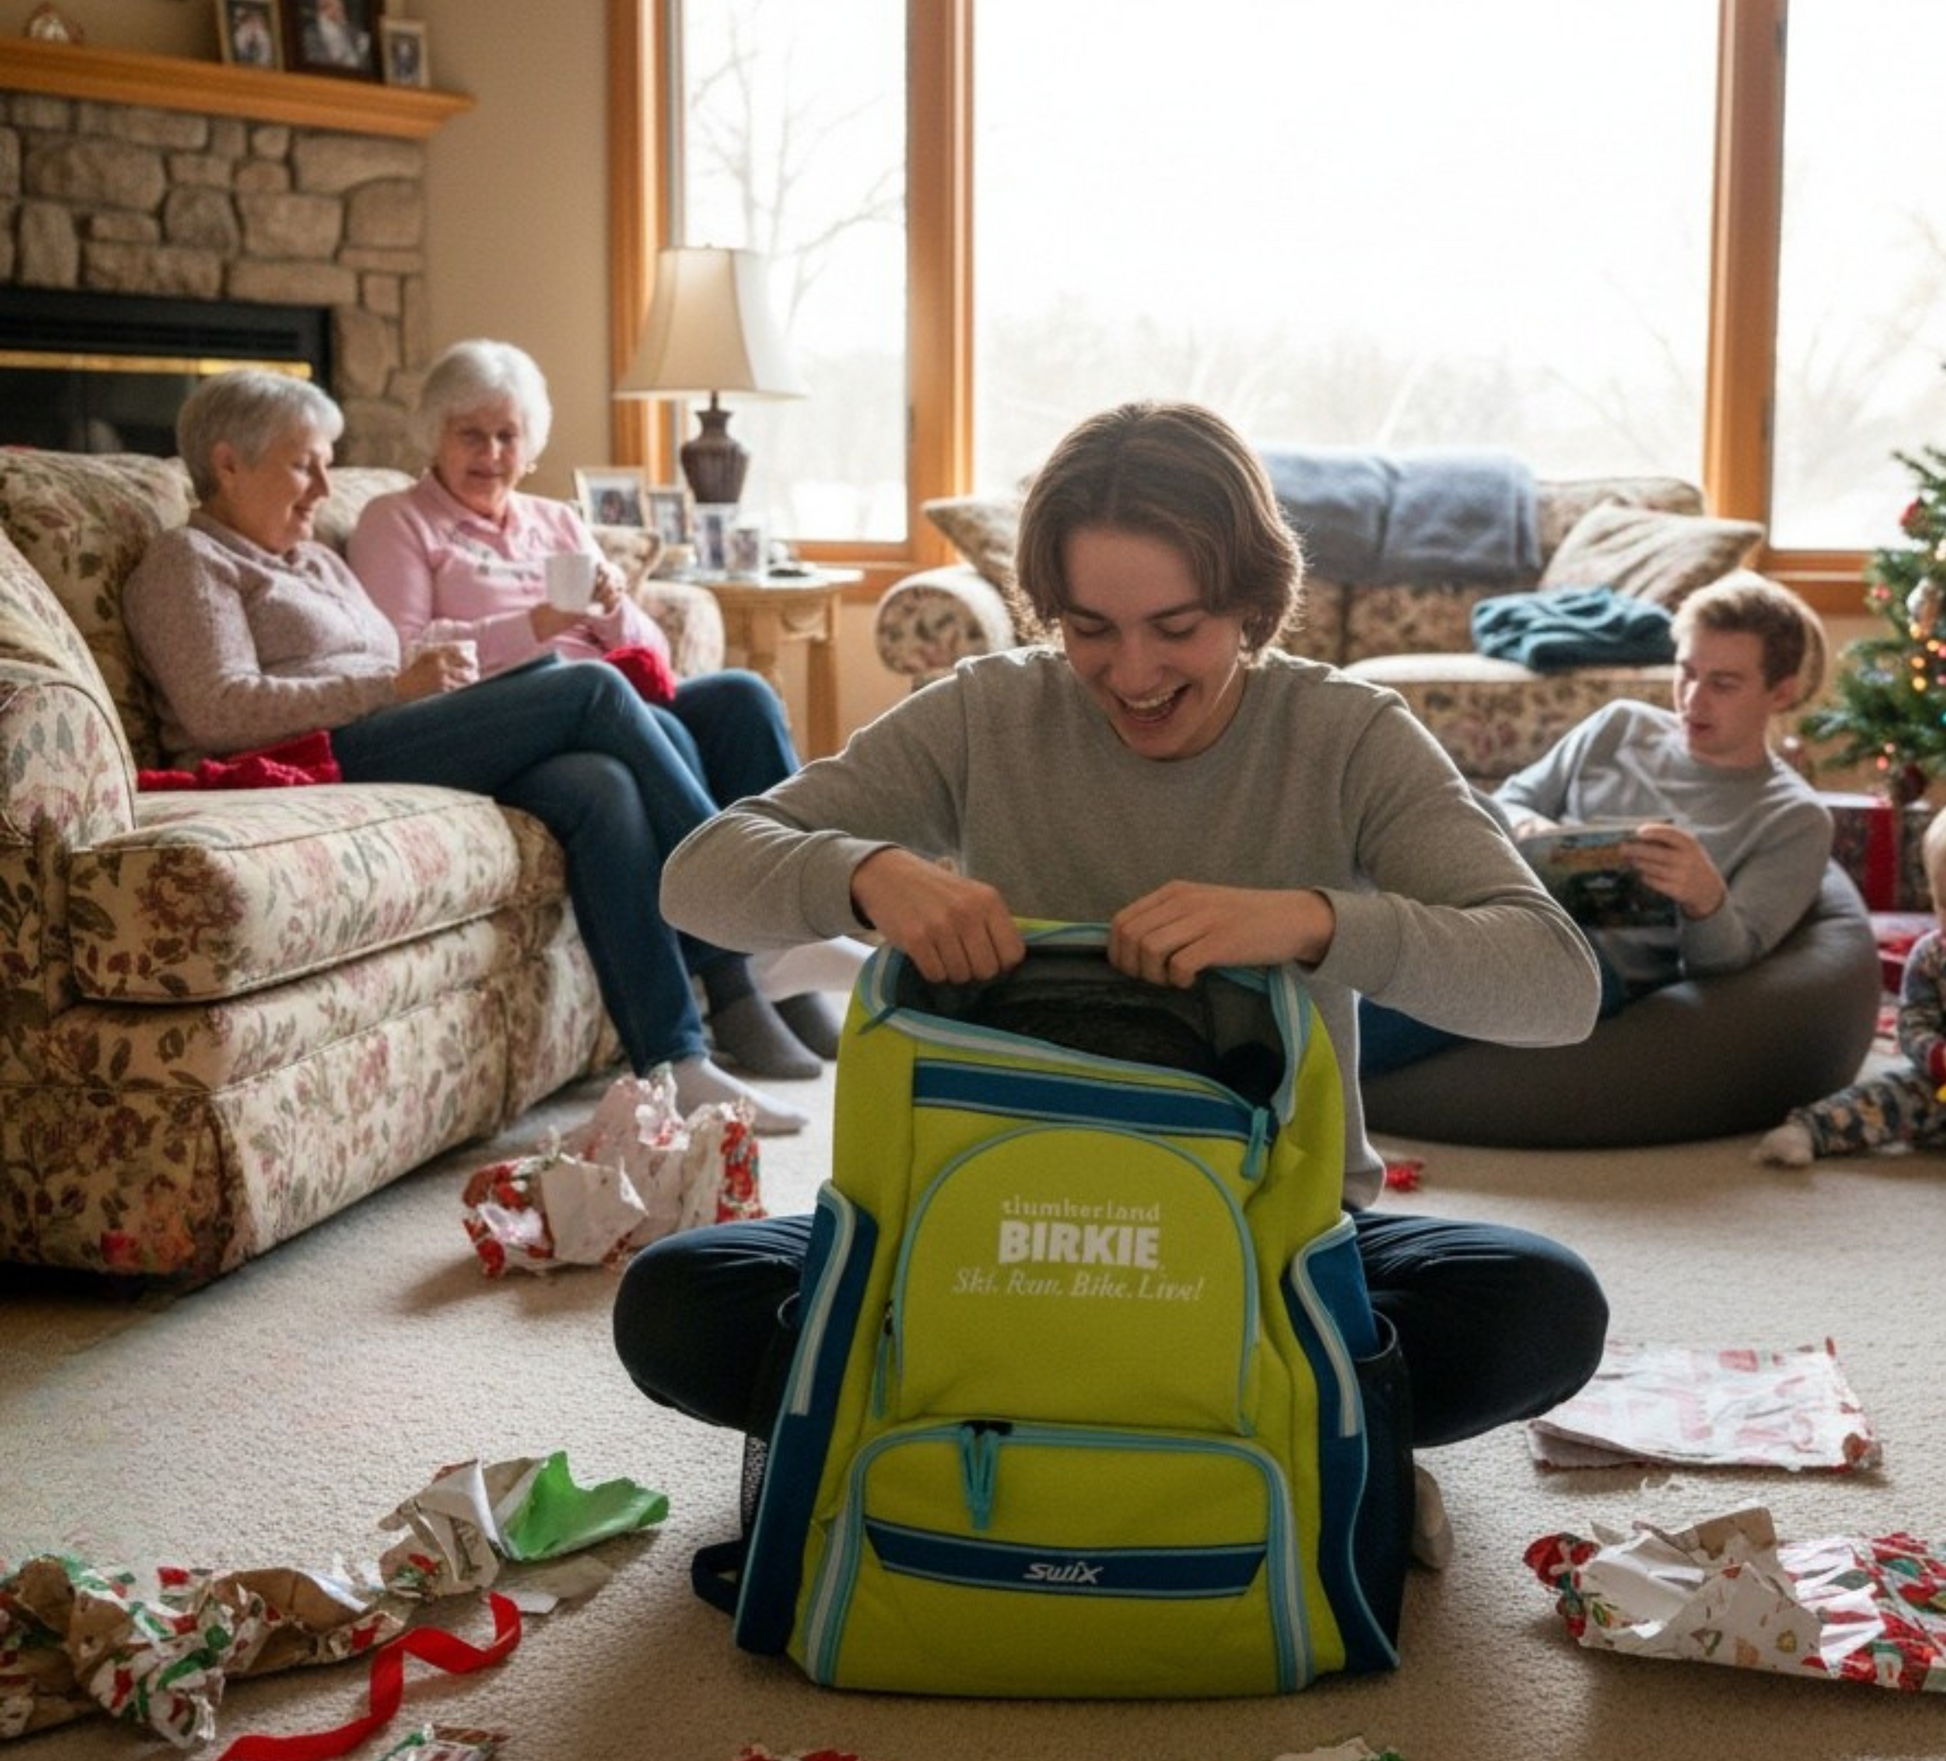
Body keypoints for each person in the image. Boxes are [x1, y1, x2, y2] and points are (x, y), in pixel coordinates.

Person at [613, 399, 1609, 1549]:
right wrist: (868, 873)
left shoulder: (1346, 737)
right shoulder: (992, 712)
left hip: (1259, 1245)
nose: (1130, 672)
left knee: (1540, 1304)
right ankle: (1300, 1432)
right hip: (985, 1234)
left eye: (1174, 626)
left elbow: (1554, 985)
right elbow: (696, 876)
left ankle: (1028, 1422)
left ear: (1248, 600)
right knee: (672, 1301)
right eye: (1089, 628)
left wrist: (1308, 921)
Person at [122, 367, 828, 1136]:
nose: (325, 487)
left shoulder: (313, 560)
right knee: (588, 690)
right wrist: (392, 686)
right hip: (307, 756)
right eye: (306, 463)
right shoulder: (188, 562)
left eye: (328, 462)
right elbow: (220, 709)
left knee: (599, 784)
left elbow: (399, 653)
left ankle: (674, 1060)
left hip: (388, 726)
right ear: (228, 463)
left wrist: (427, 675)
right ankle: (754, 918)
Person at [347, 338, 863, 1066]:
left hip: (605, 711)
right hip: (503, 727)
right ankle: (753, 942)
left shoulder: (554, 522)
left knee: (741, 698)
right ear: (434, 435)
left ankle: (780, 961)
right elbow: (405, 658)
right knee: (618, 734)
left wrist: (617, 609)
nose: (491, 452)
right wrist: (537, 628)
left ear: (531, 445)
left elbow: (652, 656)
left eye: (508, 435)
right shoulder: (398, 522)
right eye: (471, 434)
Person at [1358, 568, 1835, 1075]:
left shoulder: (1793, 817)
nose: (1693, 699)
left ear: (1780, 693)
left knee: (1415, 984)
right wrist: (1531, 829)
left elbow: (1726, 967)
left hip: (1584, 960)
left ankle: (1298, 1077)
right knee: (1414, 794)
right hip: (1502, 892)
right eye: (1686, 672)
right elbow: (1512, 799)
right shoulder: (1622, 724)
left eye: (1723, 684)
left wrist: (1705, 899)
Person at [1757, 803, 1946, 1166]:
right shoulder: (1931, 956)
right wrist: (1936, 1055)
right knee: (1887, 1095)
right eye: (1944, 904)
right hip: (1938, 1086)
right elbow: (1913, 1023)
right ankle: (1811, 1131)